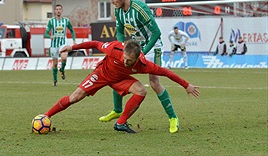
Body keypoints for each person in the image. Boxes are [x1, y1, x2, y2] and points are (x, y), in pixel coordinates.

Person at [44, 40, 200, 133]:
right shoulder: (114, 48)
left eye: (129, 61)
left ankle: (120, 123)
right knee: (75, 97)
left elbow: (166, 72)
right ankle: (46, 116)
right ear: (123, 52)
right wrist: (73, 47)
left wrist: (186, 85)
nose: (126, 62)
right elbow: (95, 43)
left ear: (137, 58)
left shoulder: (144, 65)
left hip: (119, 79)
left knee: (141, 90)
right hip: (101, 74)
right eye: (124, 58)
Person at [100, 0, 182, 133]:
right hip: (135, 48)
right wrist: (121, 45)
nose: (112, 2)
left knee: (154, 83)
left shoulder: (140, 9)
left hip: (151, 47)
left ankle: (173, 118)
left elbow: (156, 32)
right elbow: (119, 30)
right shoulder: (119, 11)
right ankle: (117, 110)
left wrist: (143, 52)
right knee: (117, 73)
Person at [45, 4, 76, 86]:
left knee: (64, 58)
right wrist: (49, 36)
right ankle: (55, 81)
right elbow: (46, 33)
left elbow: (72, 30)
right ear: (55, 11)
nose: (58, 11)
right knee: (55, 64)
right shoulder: (51, 22)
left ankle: (62, 69)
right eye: (57, 9)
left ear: (62, 11)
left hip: (63, 43)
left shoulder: (66, 21)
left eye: (60, 9)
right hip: (54, 45)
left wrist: (74, 40)